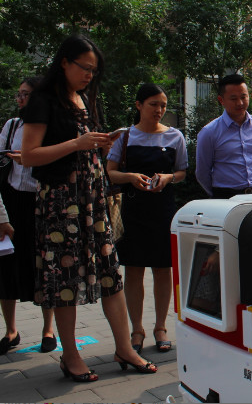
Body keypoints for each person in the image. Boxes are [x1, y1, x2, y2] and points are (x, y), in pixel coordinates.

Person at [22, 34, 156, 382]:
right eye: (85, 68)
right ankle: (70, 356)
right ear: (64, 63)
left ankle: (124, 348)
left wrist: (101, 143)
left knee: (111, 273)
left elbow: (83, 147)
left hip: (92, 200)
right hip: (60, 203)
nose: (89, 76)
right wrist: (77, 143)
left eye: (93, 71)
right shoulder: (43, 100)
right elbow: (29, 155)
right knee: (64, 278)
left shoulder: (84, 98)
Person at [106, 83, 187, 353]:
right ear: (139, 105)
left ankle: (161, 327)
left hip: (163, 209)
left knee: (163, 269)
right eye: (153, 104)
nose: (159, 110)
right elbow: (110, 172)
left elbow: (182, 173)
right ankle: (137, 329)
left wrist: (168, 177)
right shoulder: (125, 137)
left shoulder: (175, 136)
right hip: (133, 209)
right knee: (134, 269)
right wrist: (130, 177)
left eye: (163, 105)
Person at [0, 76, 57, 355]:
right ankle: (11, 330)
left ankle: (48, 329)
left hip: (41, 200)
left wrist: (32, 158)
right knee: (7, 264)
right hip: (12, 200)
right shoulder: (12, 125)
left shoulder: (50, 126)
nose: (21, 99)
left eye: (27, 95)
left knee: (44, 263)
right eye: (19, 94)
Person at [196, 74, 252, 198]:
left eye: (243, 97)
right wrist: (217, 195)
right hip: (226, 196)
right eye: (233, 98)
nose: (240, 103)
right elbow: (202, 172)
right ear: (221, 100)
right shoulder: (209, 132)